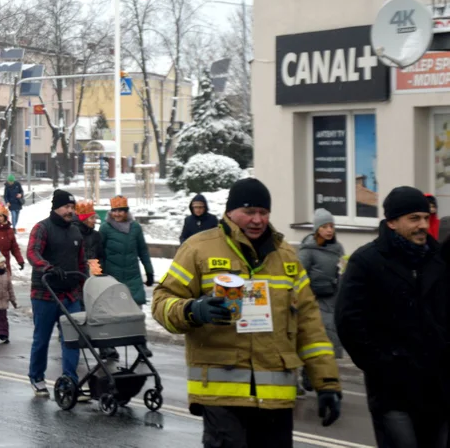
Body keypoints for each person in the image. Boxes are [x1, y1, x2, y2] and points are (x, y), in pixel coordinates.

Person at [153, 178, 341, 447]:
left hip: (276, 397)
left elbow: (309, 326)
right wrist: (193, 310)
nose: (257, 219)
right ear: (230, 212)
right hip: (220, 394)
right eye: (249, 212)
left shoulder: (286, 257)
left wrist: (327, 383)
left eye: (263, 212)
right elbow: (161, 302)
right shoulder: (198, 249)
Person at [336, 186, 448, 447]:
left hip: (437, 389)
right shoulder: (367, 262)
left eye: (425, 217)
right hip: (392, 390)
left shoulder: (438, 260)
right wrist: (383, 364)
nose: (422, 225)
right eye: (414, 218)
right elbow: (349, 322)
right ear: (392, 222)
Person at [26, 189, 87, 396]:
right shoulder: (42, 228)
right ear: (55, 207)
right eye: (66, 207)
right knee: (42, 338)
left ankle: (69, 381)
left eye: (72, 207)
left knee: (71, 339)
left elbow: (81, 261)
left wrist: (83, 281)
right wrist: (47, 267)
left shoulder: (75, 231)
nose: (70, 211)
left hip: (70, 295)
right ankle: (37, 377)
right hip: (45, 293)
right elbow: (32, 253)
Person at [297, 208, 344, 360]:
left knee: (332, 335)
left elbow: (341, 270)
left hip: (333, 299)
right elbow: (300, 275)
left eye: (331, 226)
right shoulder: (308, 250)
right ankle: (310, 377)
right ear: (317, 229)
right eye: (325, 227)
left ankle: (328, 374)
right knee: (316, 338)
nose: (329, 230)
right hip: (314, 300)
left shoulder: (337, 249)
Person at [99, 195, 154, 305]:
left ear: (126, 212)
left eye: (121, 211)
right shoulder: (105, 228)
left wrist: (149, 272)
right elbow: (99, 252)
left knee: (135, 310)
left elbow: (143, 251)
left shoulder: (135, 227)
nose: (117, 214)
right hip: (112, 278)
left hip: (133, 278)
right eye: (114, 211)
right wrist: (101, 274)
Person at [74, 201, 104, 274]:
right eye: (92, 218)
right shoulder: (73, 234)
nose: (95, 221)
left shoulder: (96, 235)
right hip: (79, 274)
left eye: (95, 218)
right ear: (84, 220)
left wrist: (99, 267)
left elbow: (101, 256)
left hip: (95, 273)